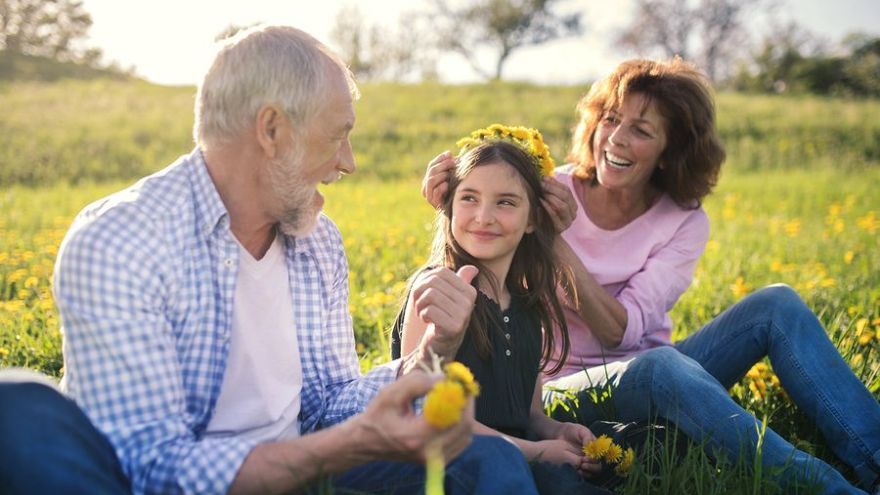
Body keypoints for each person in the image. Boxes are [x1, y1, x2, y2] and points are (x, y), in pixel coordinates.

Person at [0, 25, 539, 495]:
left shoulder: (317, 241)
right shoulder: (123, 239)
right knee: (16, 407)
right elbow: (153, 469)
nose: (347, 163)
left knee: (487, 459)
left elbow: (327, 406)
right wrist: (340, 449)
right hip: (204, 479)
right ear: (272, 130)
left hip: (303, 463)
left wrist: (430, 355)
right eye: (338, 136)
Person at [421, 58, 880, 494]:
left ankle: (875, 460)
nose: (616, 139)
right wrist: (449, 197)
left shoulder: (684, 219)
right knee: (662, 367)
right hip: (559, 389)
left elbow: (621, 331)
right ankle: (826, 488)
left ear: (670, 150)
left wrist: (556, 241)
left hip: (660, 369)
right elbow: (475, 239)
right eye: (610, 120)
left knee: (775, 305)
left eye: (640, 130)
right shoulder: (544, 192)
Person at [391, 126, 609, 494]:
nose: (484, 216)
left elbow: (530, 414)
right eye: (469, 198)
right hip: (450, 465)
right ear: (449, 205)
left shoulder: (529, 305)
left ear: (533, 221)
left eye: (505, 202)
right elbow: (429, 416)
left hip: (518, 457)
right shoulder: (436, 289)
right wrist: (538, 451)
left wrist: (557, 431)